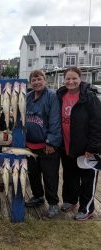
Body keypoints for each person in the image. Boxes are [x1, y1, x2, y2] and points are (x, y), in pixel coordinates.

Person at [57, 66, 101, 221]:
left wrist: (93, 147)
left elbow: (97, 123)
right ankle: (71, 200)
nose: (71, 81)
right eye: (68, 78)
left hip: (86, 148)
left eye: (74, 78)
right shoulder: (60, 94)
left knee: (87, 179)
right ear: (64, 80)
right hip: (67, 146)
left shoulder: (89, 96)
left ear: (80, 79)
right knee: (70, 176)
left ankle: (87, 208)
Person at [25, 70, 62, 218]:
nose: (36, 82)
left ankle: (53, 203)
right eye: (33, 80)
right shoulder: (27, 97)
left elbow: (55, 121)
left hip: (47, 146)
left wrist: (51, 142)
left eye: (39, 79)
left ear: (45, 81)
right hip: (30, 145)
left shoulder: (52, 96)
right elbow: (20, 117)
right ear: (30, 83)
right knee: (33, 174)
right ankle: (38, 196)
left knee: (50, 176)